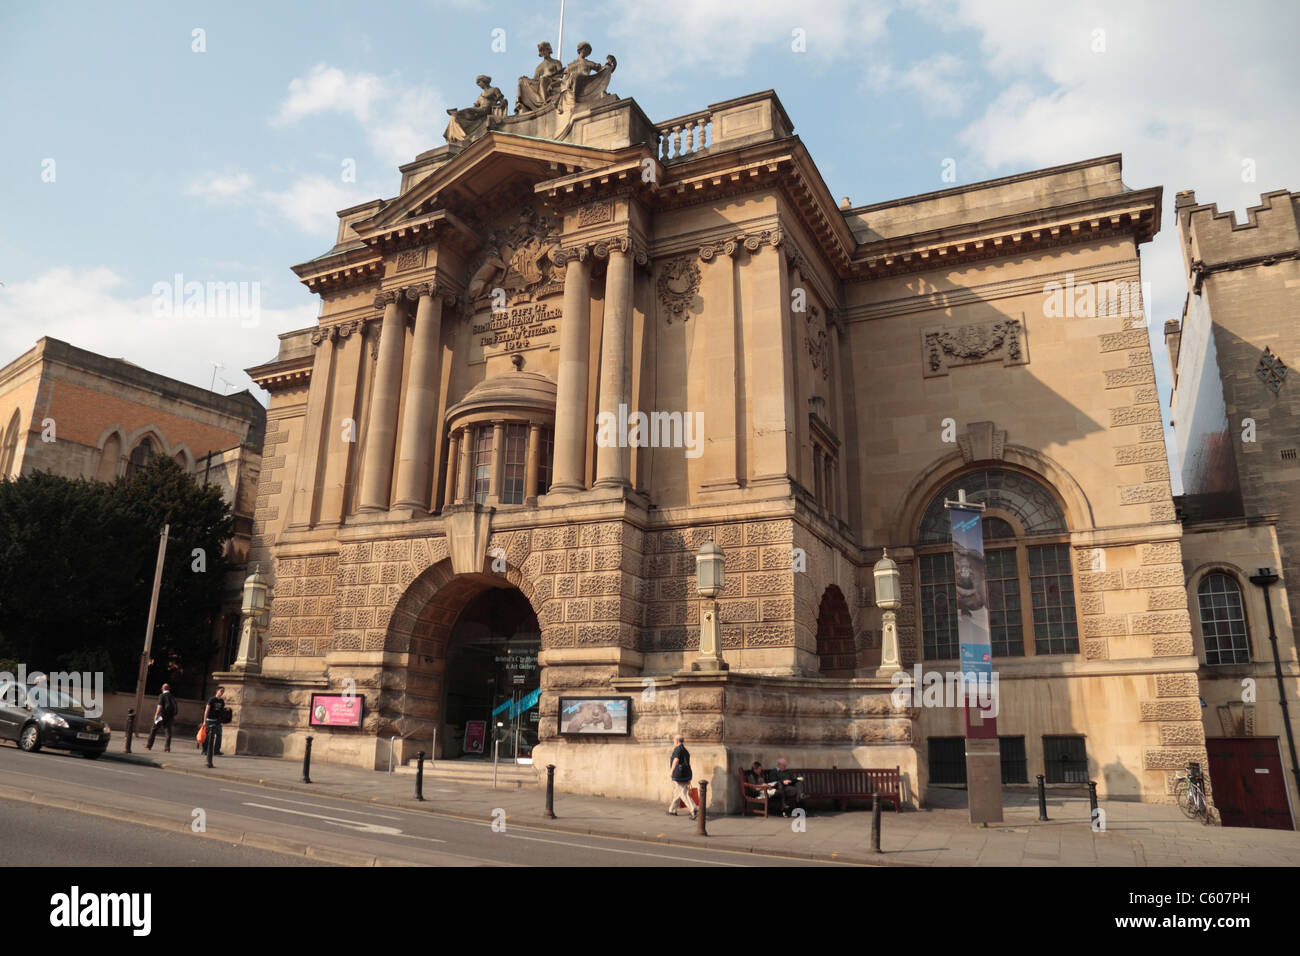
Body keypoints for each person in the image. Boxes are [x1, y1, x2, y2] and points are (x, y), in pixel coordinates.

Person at [666, 734, 696, 819]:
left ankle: (693, 809)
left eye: (674, 739)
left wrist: (671, 771)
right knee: (678, 792)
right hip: (686, 774)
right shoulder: (685, 750)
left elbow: (676, 759)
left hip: (679, 775)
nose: (673, 741)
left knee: (683, 793)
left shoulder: (678, 749)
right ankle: (672, 810)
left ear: (677, 741)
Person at [145, 683, 176, 752]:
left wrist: (156, 714)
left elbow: (160, 706)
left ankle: (148, 745)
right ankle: (167, 748)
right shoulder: (172, 696)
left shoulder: (162, 695)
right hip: (169, 716)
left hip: (161, 716)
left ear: (162, 689)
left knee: (153, 730)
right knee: (168, 732)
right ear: (169, 689)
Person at [201, 686, 226, 758]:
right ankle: (205, 750)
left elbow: (221, 711)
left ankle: (216, 750)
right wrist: (204, 721)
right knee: (208, 736)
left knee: (219, 735)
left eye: (223, 691)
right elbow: (206, 710)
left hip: (217, 721)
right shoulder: (211, 700)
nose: (222, 693)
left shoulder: (222, 701)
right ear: (217, 691)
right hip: (209, 720)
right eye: (221, 691)